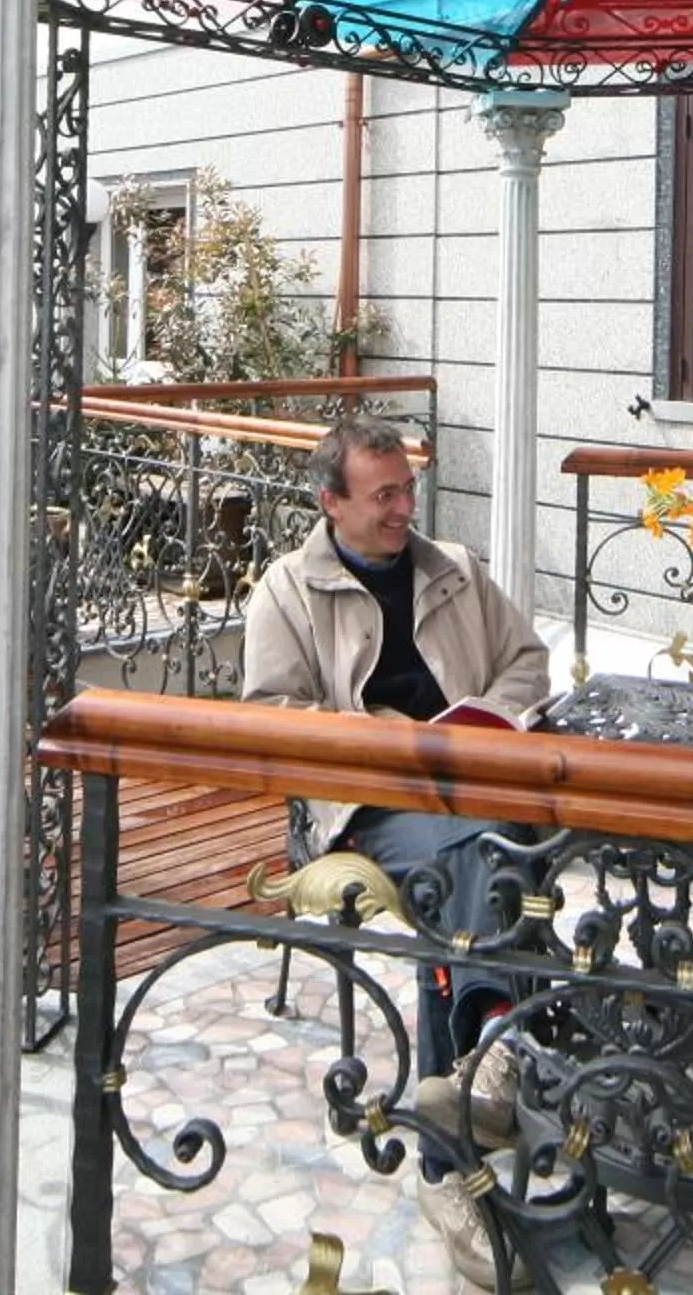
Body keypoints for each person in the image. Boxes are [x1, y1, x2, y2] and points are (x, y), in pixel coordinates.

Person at [240, 417, 552, 1289]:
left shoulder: (456, 570)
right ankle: (496, 1054)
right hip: (366, 805)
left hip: (472, 788)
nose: (405, 508)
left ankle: (467, 1107)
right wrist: (389, 738)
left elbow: (528, 664)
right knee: (479, 862)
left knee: (485, 867)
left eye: (408, 489)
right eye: (384, 494)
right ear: (330, 502)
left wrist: (484, 722)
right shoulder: (286, 592)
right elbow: (272, 720)